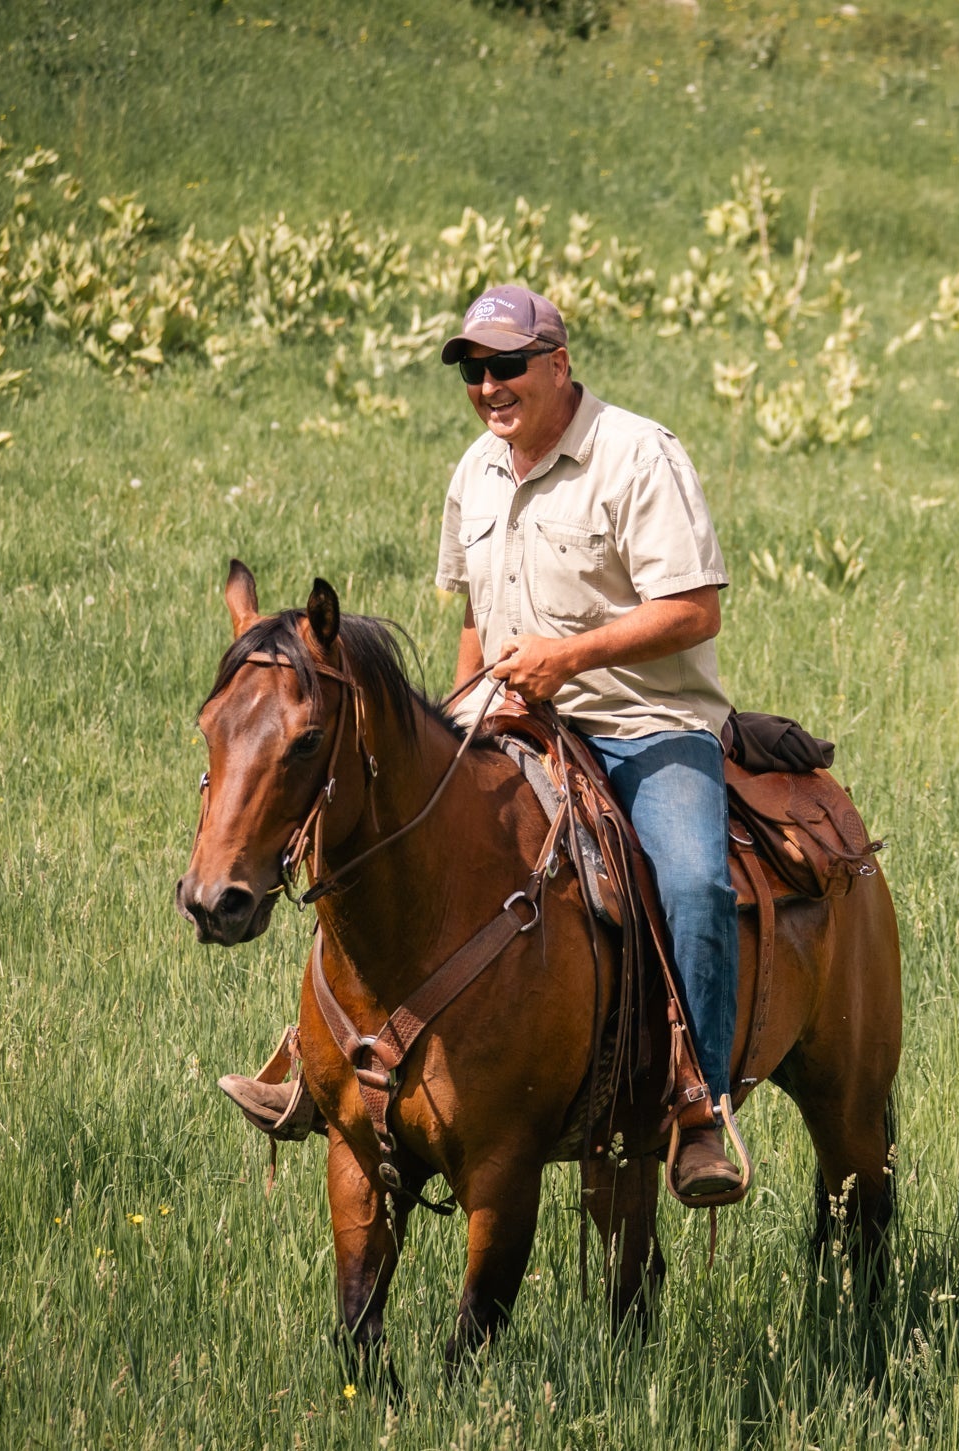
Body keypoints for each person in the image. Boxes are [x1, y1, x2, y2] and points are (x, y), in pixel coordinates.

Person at [224, 284, 745, 1201]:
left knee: (695, 880)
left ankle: (697, 1105)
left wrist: (566, 658)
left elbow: (693, 609)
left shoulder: (636, 456)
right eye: (473, 369)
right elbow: (474, 610)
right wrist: (460, 710)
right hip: (506, 715)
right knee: (369, 835)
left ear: (558, 364)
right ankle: (319, 1061)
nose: (488, 386)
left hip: (642, 724)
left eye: (506, 365)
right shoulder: (478, 469)